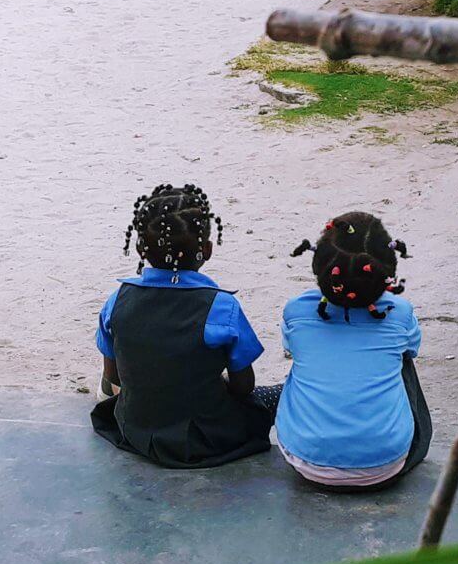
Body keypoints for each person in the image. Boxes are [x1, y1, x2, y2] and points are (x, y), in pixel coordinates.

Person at [91, 183, 273, 469]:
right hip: (204, 438)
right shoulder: (221, 307)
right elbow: (243, 387)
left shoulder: (117, 300)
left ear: (140, 248)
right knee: (273, 396)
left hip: (136, 431)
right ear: (207, 250)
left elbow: (114, 376)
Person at [274, 212, 431, 490]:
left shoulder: (296, 310)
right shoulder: (399, 313)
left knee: (307, 357)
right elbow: (412, 351)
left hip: (305, 460)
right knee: (401, 358)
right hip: (385, 463)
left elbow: (291, 349)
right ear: (387, 270)